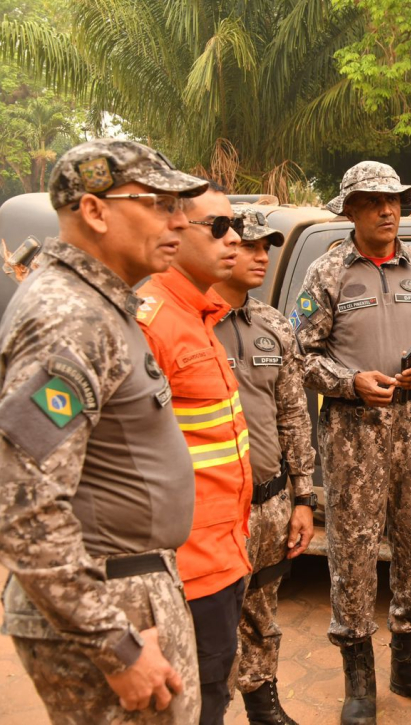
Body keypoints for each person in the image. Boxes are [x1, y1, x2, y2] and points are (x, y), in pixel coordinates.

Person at [0, 139, 207, 722]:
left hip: (127, 589)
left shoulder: (100, 305)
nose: (181, 220)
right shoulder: (70, 318)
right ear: (94, 211)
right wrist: (113, 645)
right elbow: (24, 506)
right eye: (160, 204)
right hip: (110, 601)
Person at [293, 161, 411, 725]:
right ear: (349, 211)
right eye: (372, 202)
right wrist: (350, 382)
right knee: (353, 551)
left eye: (393, 200)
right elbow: (301, 357)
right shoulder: (326, 274)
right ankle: (359, 677)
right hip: (351, 435)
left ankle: (409, 665)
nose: (387, 210)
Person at [136, 184, 254, 725]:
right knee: (196, 700)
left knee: (214, 691)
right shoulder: (151, 323)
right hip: (186, 568)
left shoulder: (201, 316)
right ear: (174, 230)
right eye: (219, 228)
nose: (234, 239)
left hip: (225, 554)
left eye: (235, 227)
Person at [213, 207, 316, 725]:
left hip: (271, 501)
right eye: (250, 246)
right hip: (211, 509)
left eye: (265, 248)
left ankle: (263, 701)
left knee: (261, 610)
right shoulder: (190, 324)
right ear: (222, 248)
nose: (260, 257)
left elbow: (293, 415)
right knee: (209, 619)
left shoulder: (274, 325)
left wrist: (302, 497)